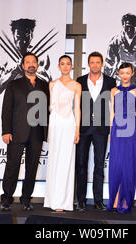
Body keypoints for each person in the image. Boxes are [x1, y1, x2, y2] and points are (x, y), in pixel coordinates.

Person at [0, 52, 49, 212]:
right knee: (12, 166)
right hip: (16, 132)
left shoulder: (43, 85)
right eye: (27, 62)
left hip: (37, 133)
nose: (31, 64)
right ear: (23, 66)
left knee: (32, 167)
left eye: (33, 62)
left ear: (37, 64)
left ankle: (26, 199)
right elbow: (6, 110)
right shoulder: (14, 85)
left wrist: (46, 132)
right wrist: (6, 131)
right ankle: (6, 199)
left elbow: (46, 110)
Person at [75, 52, 116, 212]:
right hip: (83, 128)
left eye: (98, 62)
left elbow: (113, 107)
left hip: (101, 128)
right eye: (92, 62)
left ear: (102, 64)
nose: (95, 65)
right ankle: (81, 200)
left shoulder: (111, 81)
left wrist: (113, 128)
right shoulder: (79, 81)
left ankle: (98, 200)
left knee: (99, 165)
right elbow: (76, 106)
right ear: (88, 64)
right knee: (81, 164)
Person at [44, 55, 81, 212]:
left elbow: (77, 108)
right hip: (55, 122)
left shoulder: (76, 85)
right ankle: (53, 200)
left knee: (66, 160)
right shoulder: (52, 84)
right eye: (62, 64)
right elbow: (50, 107)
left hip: (68, 123)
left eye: (68, 64)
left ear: (71, 66)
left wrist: (77, 129)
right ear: (58, 66)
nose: (65, 66)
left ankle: (64, 201)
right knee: (54, 158)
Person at [107, 63, 136, 214]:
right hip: (117, 129)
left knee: (129, 166)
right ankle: (114, 201)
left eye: (127, 73)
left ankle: (126, 201)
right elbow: (112, 114)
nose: (125, 76)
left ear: (132, 73)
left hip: (132, 129)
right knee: (115, 165)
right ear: (119, 74)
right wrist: (110, 132)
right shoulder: (114, 91)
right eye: (122, 73)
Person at [0, 18, 55, 94]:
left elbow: (49, 85)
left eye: (26, 35)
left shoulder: (42, 56)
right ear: (13, 34)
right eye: (19, 35)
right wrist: (16, 70)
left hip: (35, 100)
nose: (23, 40)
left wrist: (32, 70)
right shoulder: (5, 57)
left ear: (31, 35)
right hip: (15, 101)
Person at [105, 13, 136, 88]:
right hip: (120, 79)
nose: (129, 30)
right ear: (123, 25)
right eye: (127, 27)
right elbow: (109, 63)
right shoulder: (115, 41)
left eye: (132, 27)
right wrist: (106, 81)